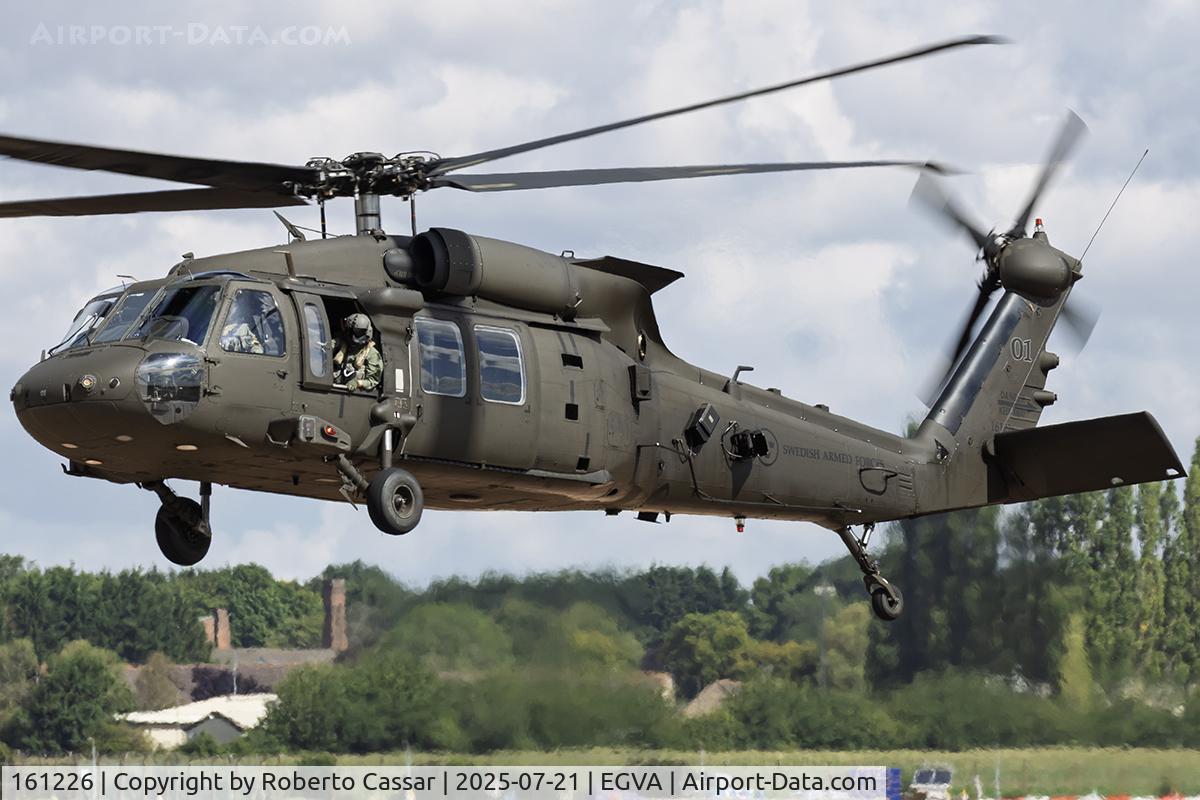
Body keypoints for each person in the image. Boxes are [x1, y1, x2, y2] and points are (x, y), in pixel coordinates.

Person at [333, 313, 382, 392]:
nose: (356, 334)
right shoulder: (340, 343)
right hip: (334, 386)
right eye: (354, 331)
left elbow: (373, 380)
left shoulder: (372, 354)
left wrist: (358, 383)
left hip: (353, 394)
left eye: (360, 332)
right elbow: (325, 348)